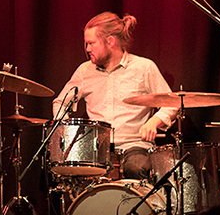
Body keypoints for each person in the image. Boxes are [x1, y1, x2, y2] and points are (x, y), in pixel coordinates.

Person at [51, 12, 176, 180]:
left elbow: (172, 103)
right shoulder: (84, 71)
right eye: (86, 44)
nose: (87, 49)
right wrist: (67, 128)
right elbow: (60, 102)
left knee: (135, 167)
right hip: (97, 149)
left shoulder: (144, 67)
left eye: (91, 43)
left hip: (135, 146)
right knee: (62, 171)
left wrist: (154, 122)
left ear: (110, 41)